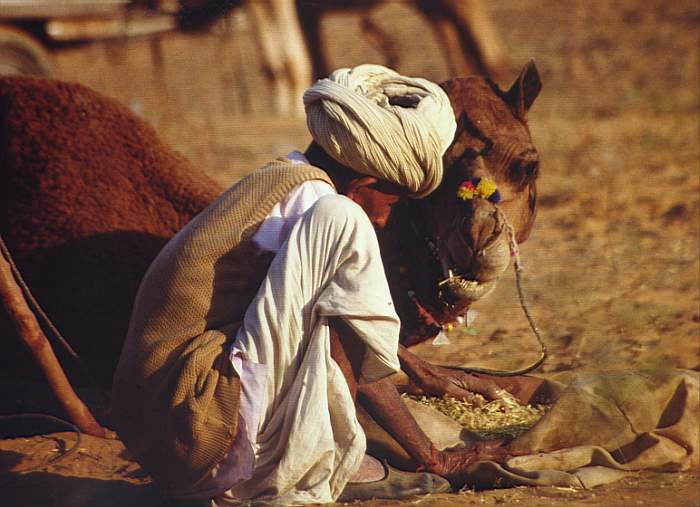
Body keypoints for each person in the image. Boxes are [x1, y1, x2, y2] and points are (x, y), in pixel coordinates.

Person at [111, 64, 464, 505]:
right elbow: (340, 350)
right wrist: (434, 457)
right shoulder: (323, 208)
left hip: (164, 426)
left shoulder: (283, 178)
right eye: (389, 203)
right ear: (364, 182)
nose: (384, 218)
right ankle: (319, 463)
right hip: (197, 430)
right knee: (342, 230)